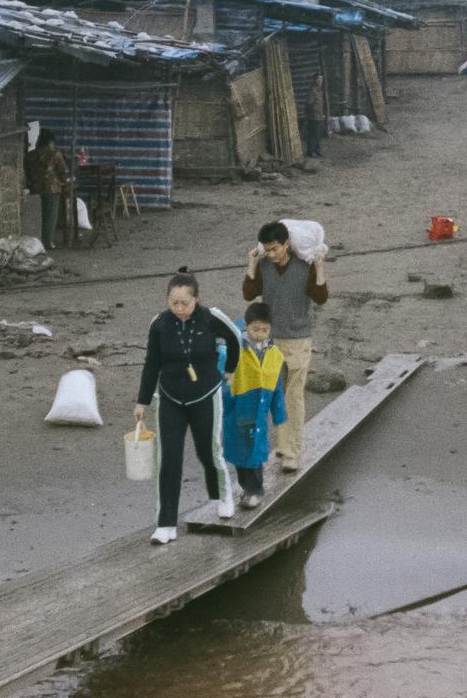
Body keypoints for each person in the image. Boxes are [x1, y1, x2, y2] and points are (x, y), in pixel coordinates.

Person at [135, 269, 241, 545]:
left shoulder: (211, 317)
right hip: (170, 397)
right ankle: (166, 523)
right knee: (169, 459)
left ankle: (222, 495)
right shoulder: (158, 324)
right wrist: (142, 401)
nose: (179, 308)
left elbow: (234, 338)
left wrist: (229, 370)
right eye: (174, 303)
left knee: (209, 452)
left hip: (206, 393)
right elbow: (152, 363)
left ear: (196, 300)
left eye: (184, 303)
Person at [242, 221, 329, 474]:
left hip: (298, 340)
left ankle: (292, 453)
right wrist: (252, 263)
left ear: (287, 244)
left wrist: (320, 267)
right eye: (267, 250)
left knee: (293, 396)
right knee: (273, 395)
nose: (271, 254)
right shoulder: (265, 266)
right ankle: (282, 446)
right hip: (269, 341)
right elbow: (249, 294)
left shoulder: (305, 266)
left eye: (275, 249)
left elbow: (321, 297)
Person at [225, 301, 289, 508]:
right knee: (238, 454)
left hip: (259, 413)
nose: (259, 334)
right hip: (238, 409)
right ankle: (247, 488)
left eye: (264, 330)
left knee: (255, 454)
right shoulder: (235, 350)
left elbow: (277, 387)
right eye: (255, 329)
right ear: (246, 326)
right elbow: (222, 379)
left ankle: (255, 491)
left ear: (271, 329)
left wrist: (279, 414)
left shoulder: (275, 356)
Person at [24, 128, 72, 248]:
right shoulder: (55, 152)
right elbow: (63, 170)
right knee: (50, 216)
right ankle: (47, 242)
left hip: (35, 188)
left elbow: (27, 171)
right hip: (52, 188)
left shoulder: (31, 154)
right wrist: (67, 181)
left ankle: (37, 241)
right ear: (50, 141)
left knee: (38, 216)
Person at [303, 72, 327, 159]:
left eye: (321, 79)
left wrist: (322, 114)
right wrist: (311, 114)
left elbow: (320, 104)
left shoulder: (320, 91)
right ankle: (310, 152)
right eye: (318, 79)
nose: (320, 81)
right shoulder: (312, 91)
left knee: (318, 134)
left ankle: (317, 150)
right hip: (313, 117)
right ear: (314, 80)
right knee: (312, 135)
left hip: (319, 116)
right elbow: (308, 104)